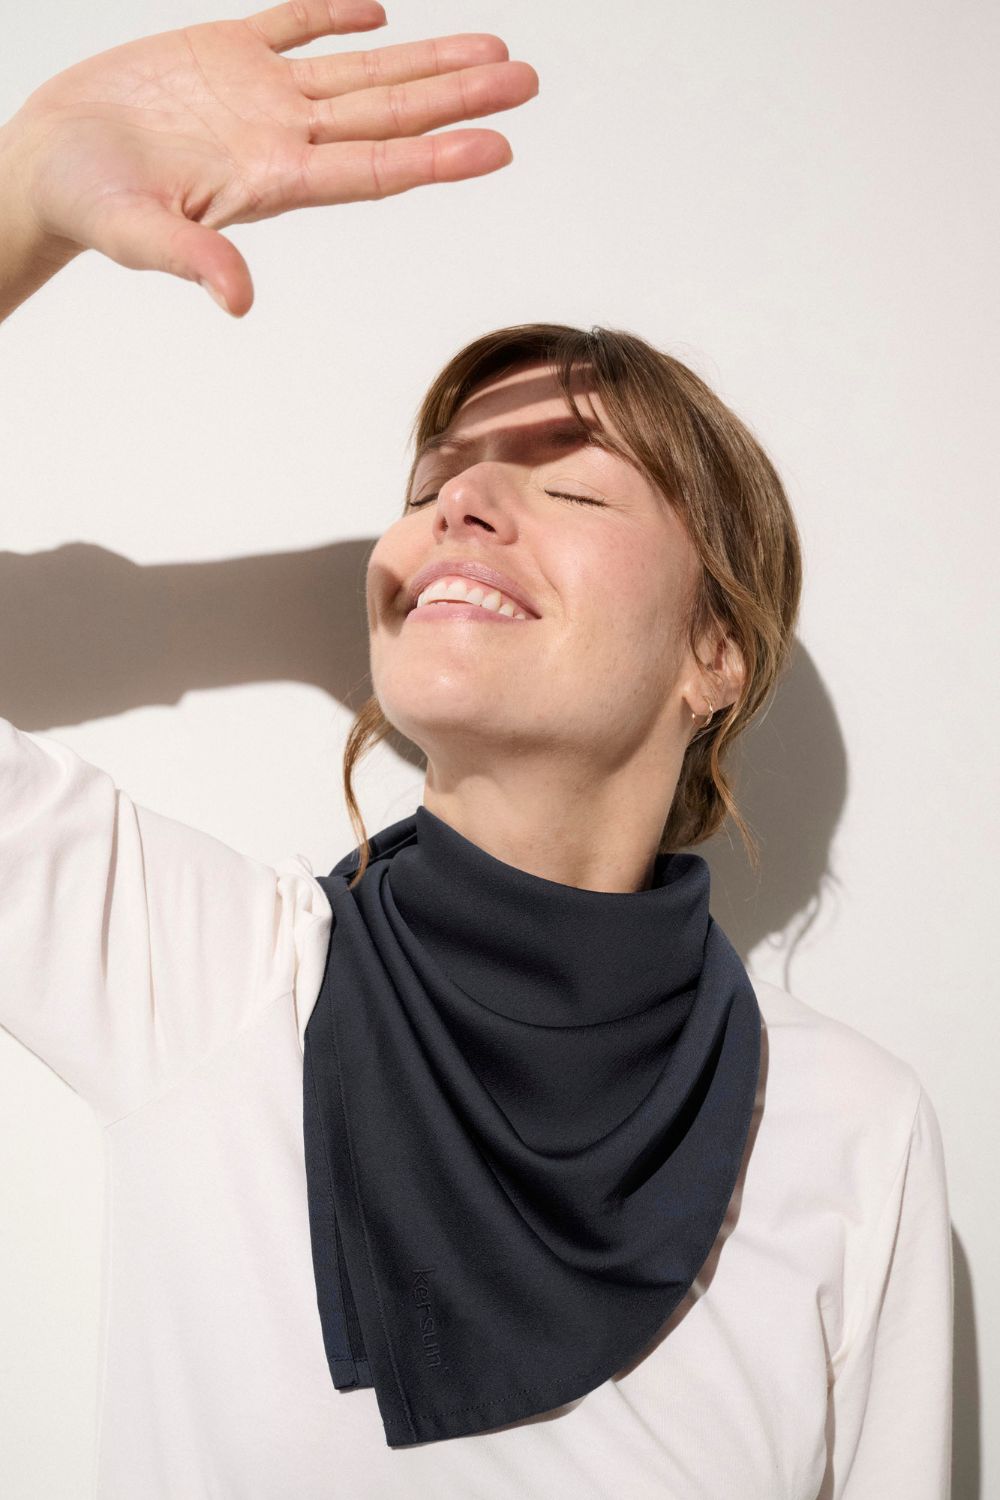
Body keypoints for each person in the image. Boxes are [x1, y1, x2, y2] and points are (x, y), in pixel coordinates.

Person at [0, 4, 953, 1498]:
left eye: (572, 490)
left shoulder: (851, 1130)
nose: (462, 506)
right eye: (439, 483)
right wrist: (23, 188)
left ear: (718, 654)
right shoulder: (207, 982)